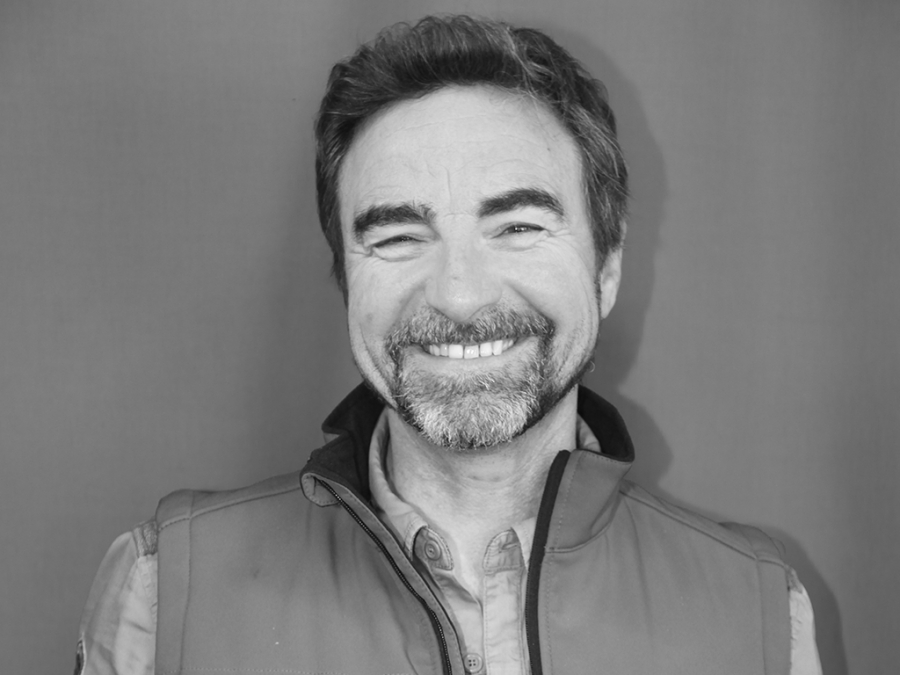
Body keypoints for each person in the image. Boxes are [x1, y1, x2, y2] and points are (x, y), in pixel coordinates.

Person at [76, 15, 822, 675]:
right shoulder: (164, 590)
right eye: (399, 236)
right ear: (346, 280)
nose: (459, 294)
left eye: (518, 227)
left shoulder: (759, 610)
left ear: (607, 270)